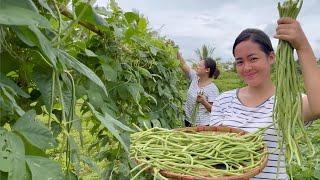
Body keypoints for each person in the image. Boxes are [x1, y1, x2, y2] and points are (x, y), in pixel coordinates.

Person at [209, 17, 320, 179]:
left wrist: (302, 46)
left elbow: (318, 107)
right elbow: (215, 151)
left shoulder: (286, 102)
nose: (246, 67)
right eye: (239, 62)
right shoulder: (223, 100)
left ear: (271, 57)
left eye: (253, 59)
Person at [176, 51, 220, 126]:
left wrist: (204, 102)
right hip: (188, 120)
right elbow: (183, 64)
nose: (197, 66)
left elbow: (214, 110)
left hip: (202, 125)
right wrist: (176, 52)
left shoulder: (212, 89)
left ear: (207, 70)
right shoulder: (195, 78)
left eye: (199, 65)